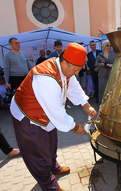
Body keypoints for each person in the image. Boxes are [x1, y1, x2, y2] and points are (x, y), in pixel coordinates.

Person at [10, 42, 97, 191]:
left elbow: (73, 86)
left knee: (50, 142)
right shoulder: (45, 77)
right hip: (28, 116)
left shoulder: (65, 69)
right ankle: (49, 186)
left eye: (78, 70)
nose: (76, 73)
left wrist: (85, 105)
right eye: (75, 69)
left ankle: (53, 166)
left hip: (45, 114)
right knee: (37, 153)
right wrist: (76, 127)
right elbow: (57, 111)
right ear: (65, 62)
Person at [95, 40, 115, 104]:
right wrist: (101, 64)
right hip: (102, 75)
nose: (109, 47)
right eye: (107, 45)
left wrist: (111, 65)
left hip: (110, 75)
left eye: (110, 46)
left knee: (110, 90)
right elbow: (96, 64)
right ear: (104, 46)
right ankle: (102, 105)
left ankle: (109, 105)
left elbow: (116, 64)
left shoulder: (113, 56)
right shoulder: (100, 55)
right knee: (102, 90)